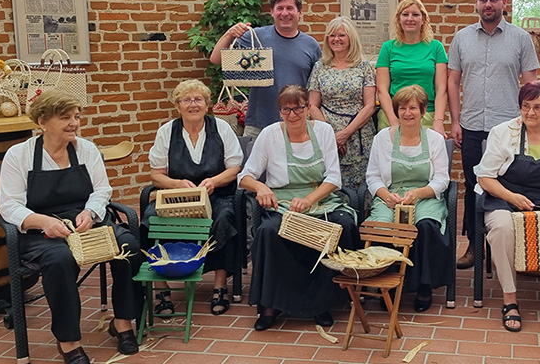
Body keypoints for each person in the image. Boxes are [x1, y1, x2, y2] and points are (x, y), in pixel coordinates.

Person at [0, 89, 142, 364]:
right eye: (65, 118)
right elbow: (9, 205)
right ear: (42, 121)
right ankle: (69, 341)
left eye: (76, 117)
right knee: (60, 259)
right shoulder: (19, 154)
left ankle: (123, 322)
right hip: (40, 231)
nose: (74, 123)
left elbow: (101, 190)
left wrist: (90, 212)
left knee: (128, 246)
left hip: (86, 222)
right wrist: (43, 222)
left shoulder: (85, 149)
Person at [240, 85, 358, 331]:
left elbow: (333, 178)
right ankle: (270, 305)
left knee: (343, 225)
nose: (292, 114)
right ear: (279, 111)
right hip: (282, 203)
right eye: (286, 109)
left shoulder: (324, 131)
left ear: (308, 108)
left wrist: (309, 200)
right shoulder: (270, 135)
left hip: (320, 199)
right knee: (268, 232)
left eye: (297, 108)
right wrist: (260, 188)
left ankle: (322, 303)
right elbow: (245, 176)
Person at [447, 0, 540, 269]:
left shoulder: (521, 38)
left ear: (504, 3)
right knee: (474, 185)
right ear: (476, 3)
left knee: (510, 183)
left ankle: (515, 246)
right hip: (472, 126)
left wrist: (531, 123)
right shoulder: (461, 38)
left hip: (509, 128)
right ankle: (475, 247)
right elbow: (453, 82)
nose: (488, 4)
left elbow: (531, 85)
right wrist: (455, 121)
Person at [475, 80, 540, 332]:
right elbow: (485, 177)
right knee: (502, 229)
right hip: (504, 198)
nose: (530, 113)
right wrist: (512, 197)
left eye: (538, 107)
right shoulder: (502, 132)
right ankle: (510, 298)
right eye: (525, 106)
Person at [144, 79, 243, 315]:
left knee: (225, 216)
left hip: (217, 194)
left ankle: (220, 286)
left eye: (198, 99)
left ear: (207, 104)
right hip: (178, 198)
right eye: (186, 100)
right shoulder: (166, 131)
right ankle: (162, 289)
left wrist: (214, 181)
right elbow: (156, 175)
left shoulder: (221, 128)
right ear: (177, 105)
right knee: (148, 220)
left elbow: (235, 168)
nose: (193, 104)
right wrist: (177, 184)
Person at [365, 85, 450, 312]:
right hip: (391, 195)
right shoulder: (382, 138)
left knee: (425, 225)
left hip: (425, 196)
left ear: (422, 111)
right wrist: (385, 195)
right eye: (402, 108)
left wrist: (419, 193)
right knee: (381, 226)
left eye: (413, 108)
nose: (407, 113)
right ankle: (387, 286)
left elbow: (442, 179)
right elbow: (372, 176)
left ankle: (424, 286)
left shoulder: (434, 139)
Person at [210, 0, 322, 138]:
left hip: (296, 123)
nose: (285, 13)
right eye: (280, 8)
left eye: (290, 8)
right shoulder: (255, 37)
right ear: (272, 12)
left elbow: (316, 88)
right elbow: (216, 59)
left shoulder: (311, 45)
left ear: (300, 12)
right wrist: (230, 33)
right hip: (258, 124)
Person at [308, 16, 377, 192]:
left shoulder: (364, 67)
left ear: (351, 38)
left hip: (359, 134)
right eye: (332, 35)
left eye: (341, 35)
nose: (336, 39)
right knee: (330, 182)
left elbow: (370, 105)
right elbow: (312, 105)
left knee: (360, 187)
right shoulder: (320, 67)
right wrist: (331, 135)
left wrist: (345, 134)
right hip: (327, 135)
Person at [375, 0, 448, 135]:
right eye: (405, 14)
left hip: (426, 115)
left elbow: (441, 89)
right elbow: (382, 90)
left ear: (423, 19)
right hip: (393, 115)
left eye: (415, 14)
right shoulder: (388, 48)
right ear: (399, 19)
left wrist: (438, 121)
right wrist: (394, 122)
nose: (410, 18)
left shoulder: (436, 47)